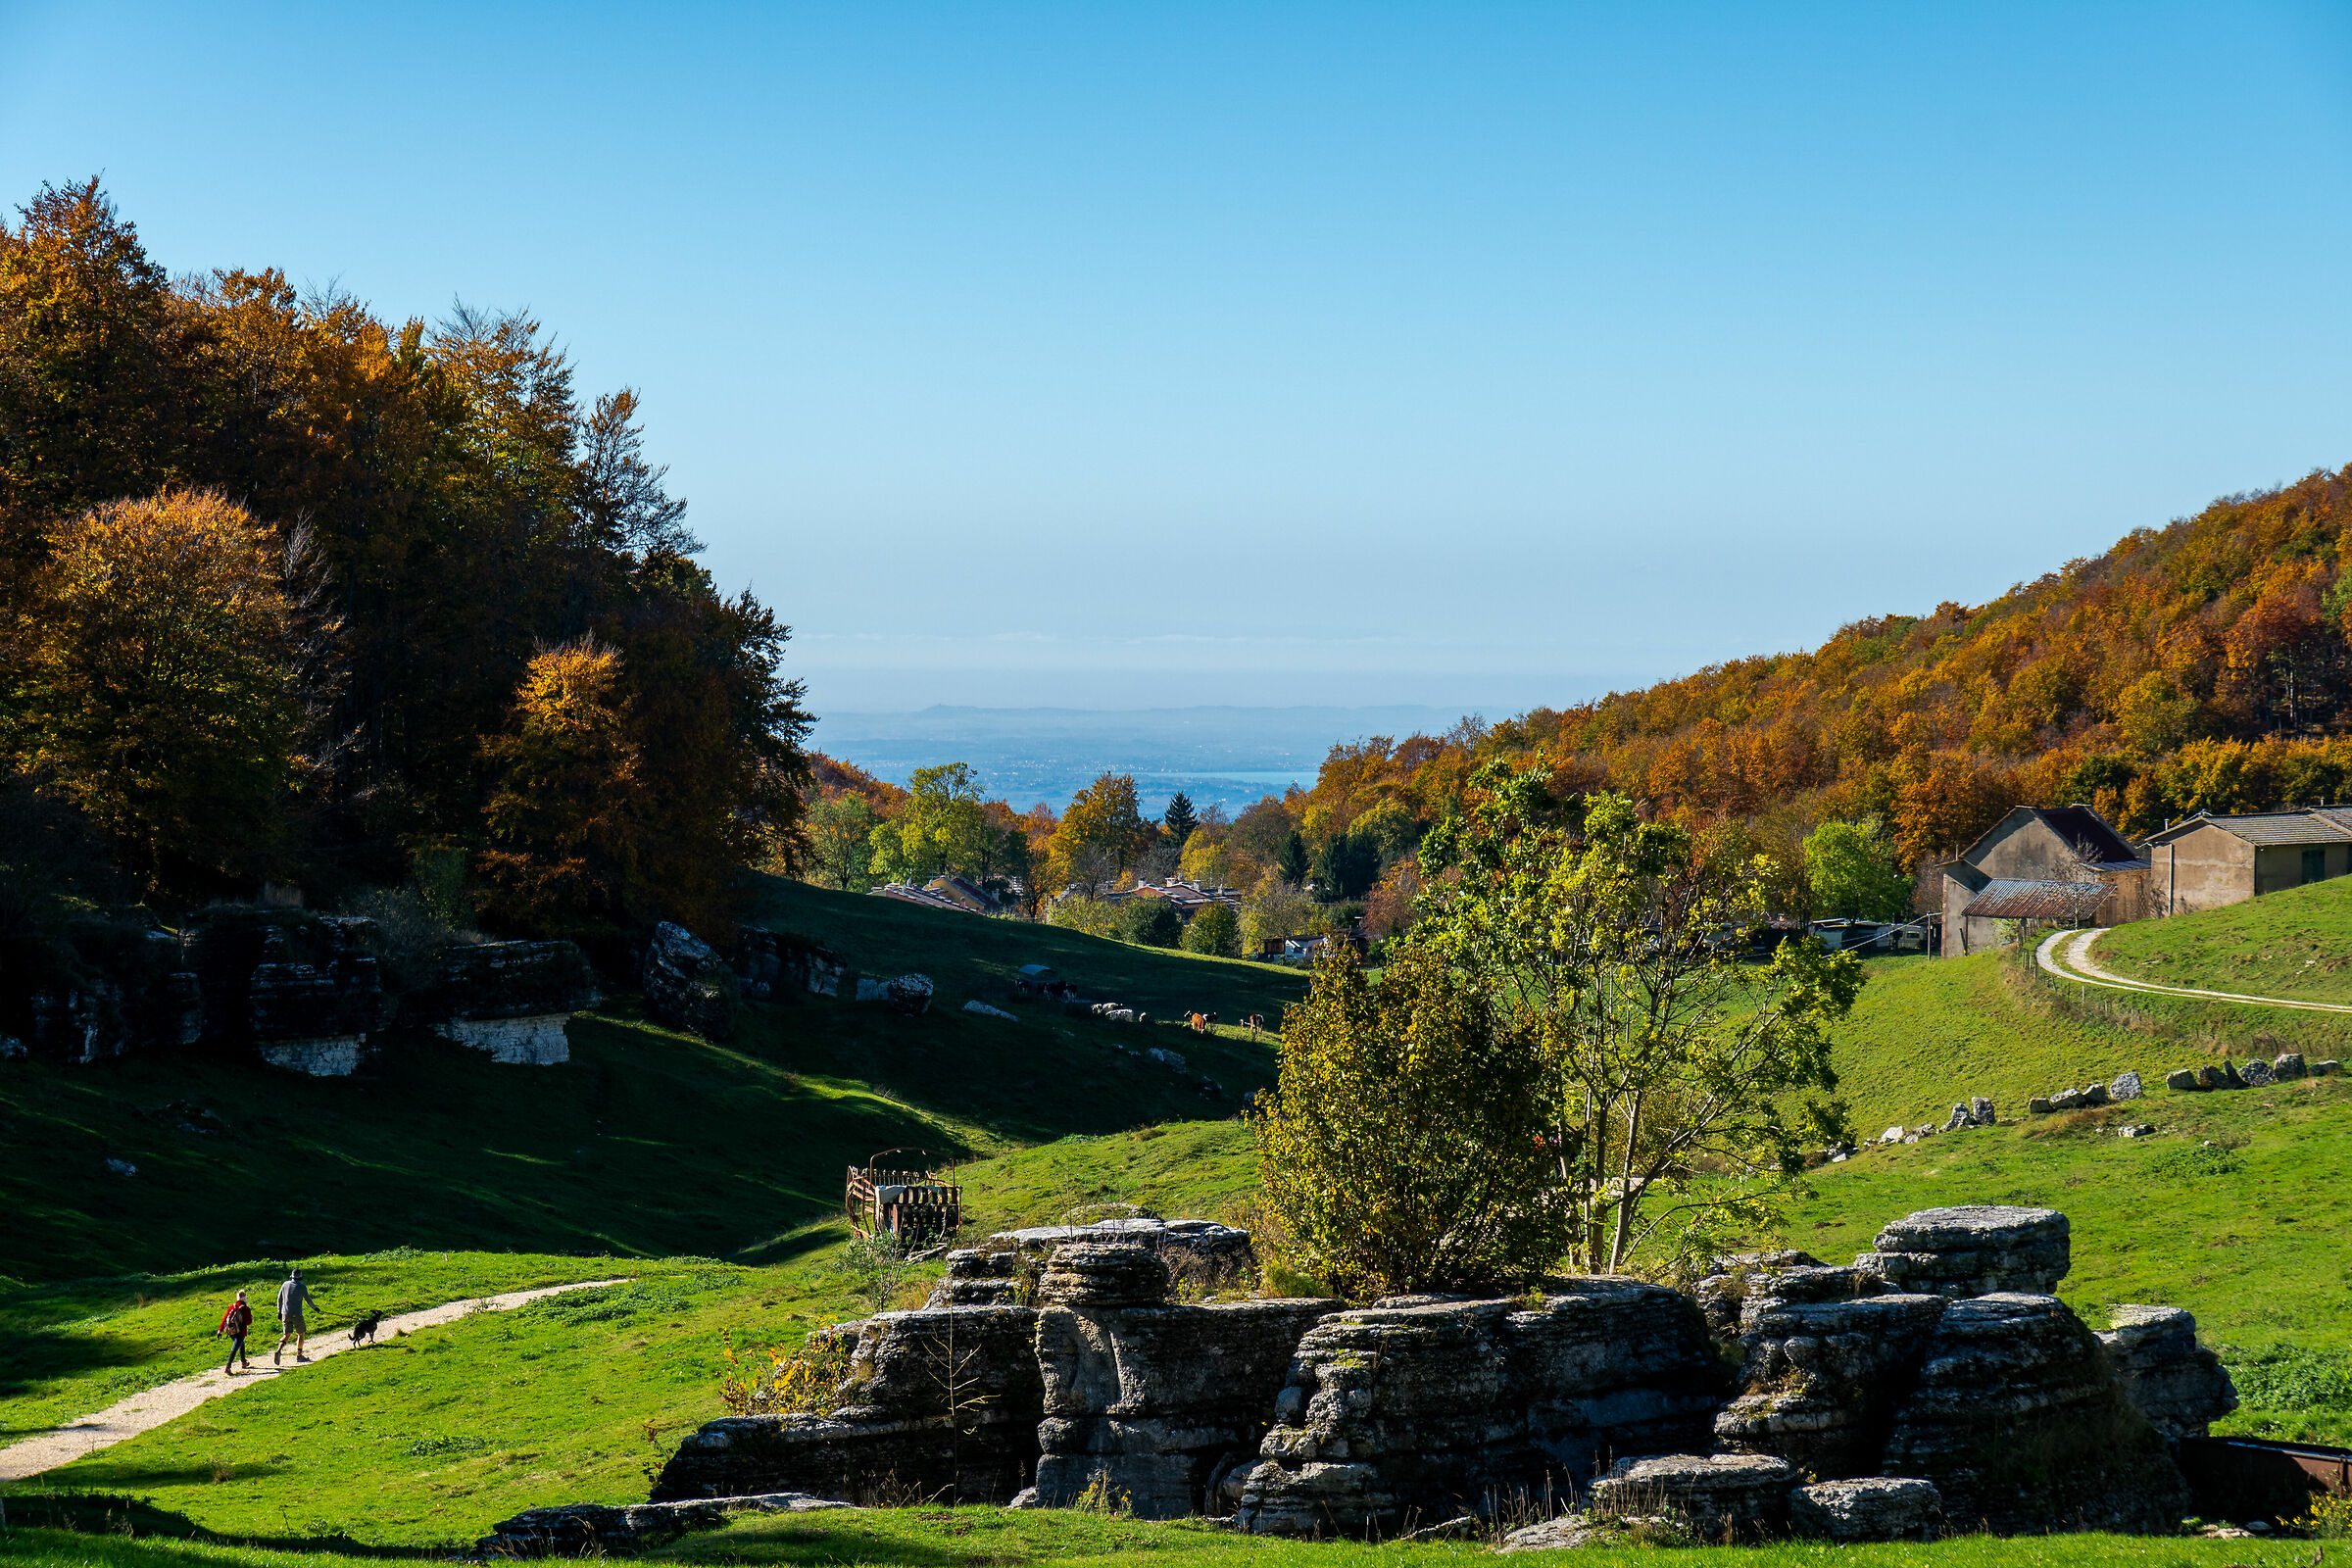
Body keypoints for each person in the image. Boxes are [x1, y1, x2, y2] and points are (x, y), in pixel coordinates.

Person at [273, 1266, 318, 1364]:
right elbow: (308, 1300)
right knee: (300, 1334)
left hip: (285, 1313)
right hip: (297, 1314)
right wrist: (315, 1308)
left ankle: (279, 1350)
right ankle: (299, 1355)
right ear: (300, 1277)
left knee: (287, 1334)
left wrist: (279, 1312)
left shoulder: (285, 1284)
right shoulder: (302, 1287)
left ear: (292, 1277)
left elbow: (279, 1299)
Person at [215, 1289, 254, 1374]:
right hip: (241, 1331)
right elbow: (249, 1322)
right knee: (235, 1347)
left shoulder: (232, 1307)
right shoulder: (246, 1309)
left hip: (231, 1331)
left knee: (241, 1344)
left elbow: (225, 1318)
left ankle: (243, 1362)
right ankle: (228, 1367)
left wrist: (220, 1330)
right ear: (245, 1298)